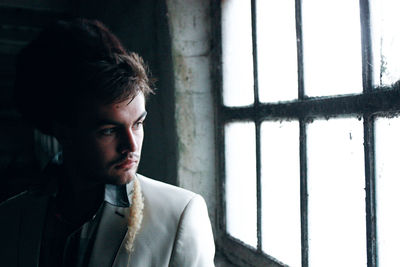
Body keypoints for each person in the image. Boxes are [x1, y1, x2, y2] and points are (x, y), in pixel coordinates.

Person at [0, 18, 215, 267]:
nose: (131, 146)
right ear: (63, 131)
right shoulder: (11, 218)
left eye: (138, 123)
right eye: (108, 130)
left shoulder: (179, 215)